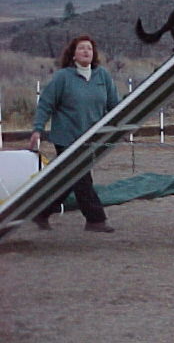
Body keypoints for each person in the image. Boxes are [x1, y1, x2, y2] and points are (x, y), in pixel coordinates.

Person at [29, 35, 120, 233]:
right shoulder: (63, 77)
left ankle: (41, 212)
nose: (86, 51)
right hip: (67, 137)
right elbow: (46, 104)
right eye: (81, 48)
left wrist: (123, 125)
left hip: (91, 138)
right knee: (80, 176)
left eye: (89, 48)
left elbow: (114, 105)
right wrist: (37, 129)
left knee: (67, 179)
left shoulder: (102, 76)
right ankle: (96, 220)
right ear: (73, 54)